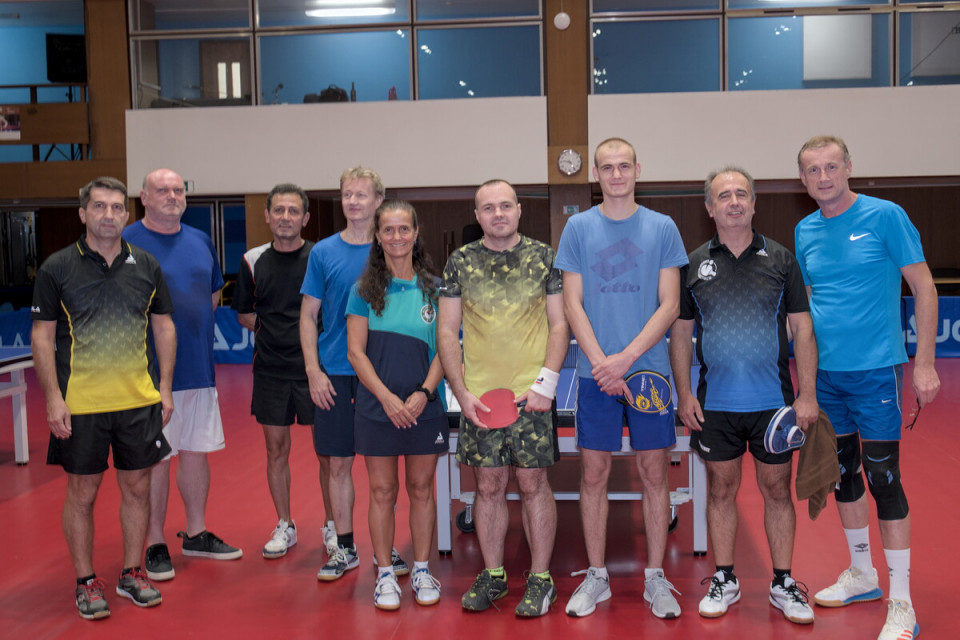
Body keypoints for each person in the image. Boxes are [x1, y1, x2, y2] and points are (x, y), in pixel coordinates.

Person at [795, 135, 940, 640]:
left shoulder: (886, 216)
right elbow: (807, 308)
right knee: (843, 474)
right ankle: (862, 574)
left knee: (883, 478)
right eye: (813, 170)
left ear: (849, 167)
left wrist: (925, 364)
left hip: (877, 370)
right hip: (826, 377)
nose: (823, 177)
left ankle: (902, 601)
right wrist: (805, 381)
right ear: (803, 180)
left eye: (831, 166)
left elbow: (924, 287)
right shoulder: (805, 229)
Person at [669, 166, 818, 624]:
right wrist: (683, 394)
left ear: (753, 204)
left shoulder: (781, 260)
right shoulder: (692, 264)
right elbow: (681, 334)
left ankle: (783, 583)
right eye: (724, 196)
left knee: (777, 490)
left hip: (773, 404)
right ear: (709, 208)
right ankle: (725, 578)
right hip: (715, 404)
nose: (733, 202)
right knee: (721, 490)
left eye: (741, 195)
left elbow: (802, 329)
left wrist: (807, 395)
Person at [32, 177, 176, 619]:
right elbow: (43, 337)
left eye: (116, 207)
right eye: (99, 206)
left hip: (137, 401)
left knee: (138, 487)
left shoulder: (146, 264)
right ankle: (86, 581)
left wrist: (165, 387)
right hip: (81, 406)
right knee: (83, 492)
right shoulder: (57, 268)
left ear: (127, 215)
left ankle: (132, 572)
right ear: (83, 213)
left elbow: (163, 326)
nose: (108, 215)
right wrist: (53, 398)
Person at [555, 137, 687, 619]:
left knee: (655, 473)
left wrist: (624, 360)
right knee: (593, 473)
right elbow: (572, 304)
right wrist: (601, 364)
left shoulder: (662, 227)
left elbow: (670, 304)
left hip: (649, 373)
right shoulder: (577, 228)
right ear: (595, 174)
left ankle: (655, 577)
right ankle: (596, 576)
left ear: (637, 169)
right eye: (607, 167)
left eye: (623, 166)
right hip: (596, 375)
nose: (616, 174)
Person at [438, 179, 568, 618]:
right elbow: (446, 330)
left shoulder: (544, 257)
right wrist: (461, 393)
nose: (498, 214)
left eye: (505, 205)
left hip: (531, 397)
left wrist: (545, 384)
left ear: (518, 210)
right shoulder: (460, 262)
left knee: (534, 484)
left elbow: (559, 324)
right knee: (488, 486)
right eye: (489, 207)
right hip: (480, 400)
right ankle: (494, 574)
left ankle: (541, 579)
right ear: (477, 216)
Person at [124, 168, 242, 582]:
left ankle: (196, 533)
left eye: (178, 190)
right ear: (144, 196)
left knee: (195, 451)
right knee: (157, 457)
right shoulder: (126, 242)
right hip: (149, 376)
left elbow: (211, 294)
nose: (172, 196)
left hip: (198, 369)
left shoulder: (200, 240)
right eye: (162, 190)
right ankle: (155, 541)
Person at [300, 166, 408, 580]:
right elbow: (308, 316)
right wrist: (313, 369)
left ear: (378, 200)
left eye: (362, 195)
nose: (353, 202)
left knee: (385, 472)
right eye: (347, 194)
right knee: (339, 465)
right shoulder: (323, 253)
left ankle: (386, 546)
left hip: (385, 375)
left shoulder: (394, 247)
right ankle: (344, 547)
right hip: (337, 374)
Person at [346, 200, 447, 610]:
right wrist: (387, 398)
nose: (397, 237)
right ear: (377, 236)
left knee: (422, 488)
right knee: (382, 490)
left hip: (425, 406)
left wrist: (423, 393)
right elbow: (355, 352)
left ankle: (421, 569)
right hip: (377, 408)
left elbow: (445, 348)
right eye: (388, 230)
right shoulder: (362, 291)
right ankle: (386, 574)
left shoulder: (436, 288)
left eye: (404, 229)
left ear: (416, 232)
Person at [232, 183, 314, 559]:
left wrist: (307, 341)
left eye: (293, 211)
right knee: (275, 449)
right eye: (278, 210)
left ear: (305, 218)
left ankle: (333, 526)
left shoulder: (318, 258)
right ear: (267, 216)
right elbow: (244, 314)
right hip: (270, 370)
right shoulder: (252, 260)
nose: (285, 217)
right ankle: (285, 523)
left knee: (328, 453)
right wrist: (275, 332)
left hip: (315, 371)